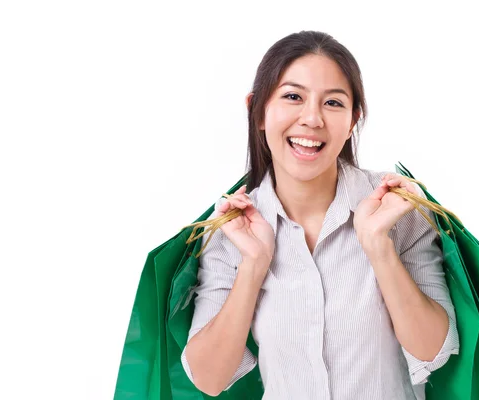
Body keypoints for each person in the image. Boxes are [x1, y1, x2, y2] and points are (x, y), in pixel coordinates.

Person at [180, 30, 459, 400]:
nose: (311, 119)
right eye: (293, 97)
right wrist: (253, 265)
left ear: (353, 120)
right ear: (257, 111)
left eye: (333, 103)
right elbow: (208, 379)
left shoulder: (398, 209)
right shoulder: (231, 228)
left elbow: (433, 352)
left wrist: (378, 246)